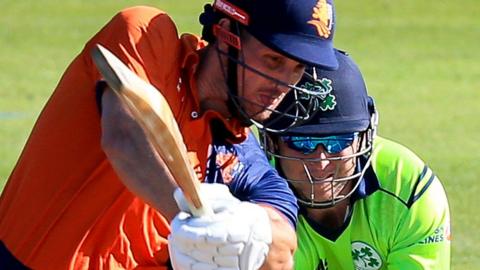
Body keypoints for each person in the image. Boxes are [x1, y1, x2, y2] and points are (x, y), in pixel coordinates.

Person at [0, 0, 338, 269]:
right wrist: (192, 214)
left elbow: (282, 252)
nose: (283, 84)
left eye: (296, 69)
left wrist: (244, 228)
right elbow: (126, 138)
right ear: (225, 32)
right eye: (273, 60)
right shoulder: (147, 36)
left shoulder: (244, 156)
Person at [258, 50, 451, 269]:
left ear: (362, 139)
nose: (320, 162)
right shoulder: (250, 197)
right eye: (302, 143)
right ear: (272, 141)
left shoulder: (406, 188)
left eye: (338, 142)